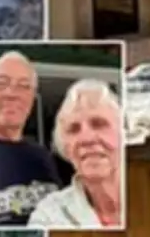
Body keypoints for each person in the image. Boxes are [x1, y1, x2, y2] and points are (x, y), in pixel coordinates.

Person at [0, 51, 62, 227]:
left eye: (24, 86)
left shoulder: (42, 157)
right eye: (1, 83)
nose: (12, 94)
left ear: (32, 99)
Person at [28, 79, 124, 229]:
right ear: (65, 147)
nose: (86, 138)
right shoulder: (50, 214)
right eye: (73, 129)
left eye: (99, 124)